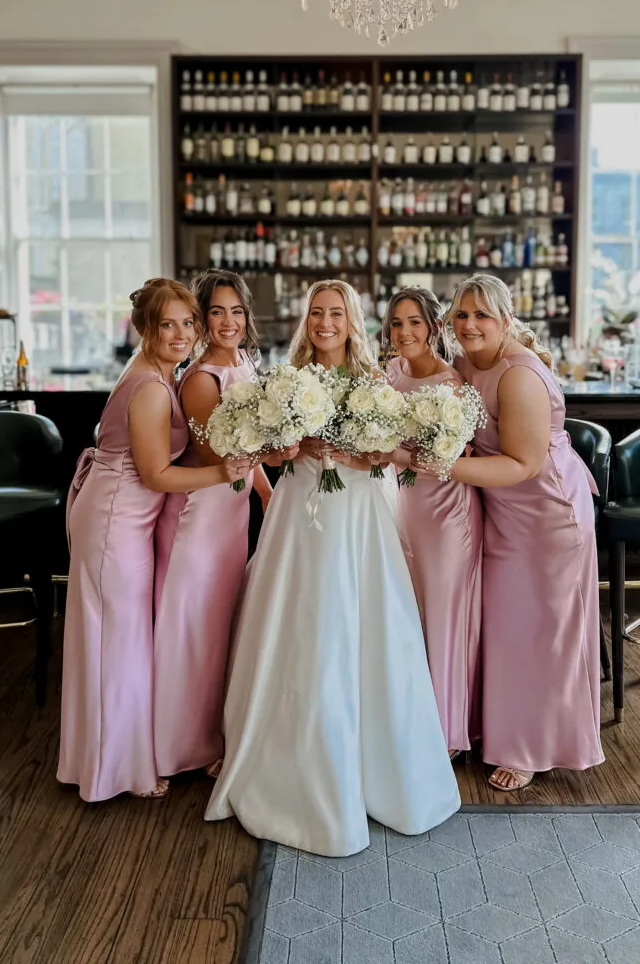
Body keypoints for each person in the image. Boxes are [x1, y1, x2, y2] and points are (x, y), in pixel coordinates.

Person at [204, 280, 461, 856]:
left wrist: (366, 451)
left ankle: (381, 772)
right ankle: (293, 767)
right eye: (317, 313)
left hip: (359, 512)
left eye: (336, 313)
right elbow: (268, 453)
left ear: (352, 321)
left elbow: (387, 455)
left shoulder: (376, 382)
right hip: (302, 511)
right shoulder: (282, 379)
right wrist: (282, 447)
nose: (325, 322)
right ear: (306, 320)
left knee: (368, 622)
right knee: (304, 621)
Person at [58, 278, 249, 802]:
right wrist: (223, 474)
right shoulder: (147, 387)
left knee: (122, 642)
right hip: (115, 519)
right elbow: (157, 474)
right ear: (144, 328)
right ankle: (109, 772)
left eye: (189, 322)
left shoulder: (160, 375)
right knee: (110, 644)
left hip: (129, 518)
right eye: (167, 324)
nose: (181, 334)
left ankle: (115, 758)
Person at [412, 273, 603, 792]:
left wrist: (443, 465)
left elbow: (521, 463)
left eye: (482, 316)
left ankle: (535, 746)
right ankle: (495, 727)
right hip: (501, 510)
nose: (469, 325)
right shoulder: (467, 365)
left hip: (546, 514)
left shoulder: (519, 376)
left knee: (542, 630)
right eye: (462, 315)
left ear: (506, 320)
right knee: (506, 626)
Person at [153, 270, 277, 781]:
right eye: (217, 312)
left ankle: (211, 735)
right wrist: (281, 442)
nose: (228, 322)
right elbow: (218, 454)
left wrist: (270, 497)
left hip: (232, 514)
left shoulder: (244, 362)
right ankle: (176, 747)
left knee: (221, 627)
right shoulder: (202, 378)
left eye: (236, 311)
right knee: (193, 629)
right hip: (201, 518)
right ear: (202, 319)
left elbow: (250, 468)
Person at [383, 287, 483, 759]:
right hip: (405, 508)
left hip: (446, 514)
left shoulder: (452, 387)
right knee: (413, 615)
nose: (404, 333)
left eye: (414, 323)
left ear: (434, 328)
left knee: (444, 616)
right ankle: (415, 717)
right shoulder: (392, 372)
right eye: (397, 323)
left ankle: (446, 735)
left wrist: (391, 452)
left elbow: (441, 460)